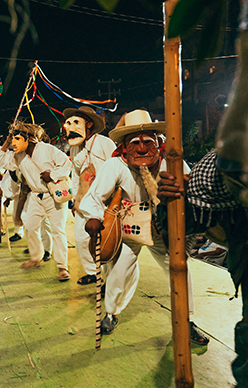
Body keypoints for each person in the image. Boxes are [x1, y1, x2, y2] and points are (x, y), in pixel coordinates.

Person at [80, 109, 208, 344]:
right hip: (129, 228)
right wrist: (94, 218)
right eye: (135, 143)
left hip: (164, 231)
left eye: (148, 142)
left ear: (158, 144)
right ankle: (111, 313)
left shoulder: (171, 163)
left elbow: (193, 190)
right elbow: (94, 197)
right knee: (119, 270)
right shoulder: (115, 165)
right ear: (125, 146)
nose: (141, 148)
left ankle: (186, 320)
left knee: (180, 269)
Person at [0, 122, 72, 282]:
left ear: (28, 138)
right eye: (12, 139)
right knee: (29, 226)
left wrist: (53, 175)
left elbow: (66, 164)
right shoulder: (18, 156)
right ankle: (36, 257)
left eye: (16, 138)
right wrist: (7, 142)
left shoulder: (47, 149)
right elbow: (0, 160)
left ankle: (62, 267)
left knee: (58, 231)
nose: (14, 143)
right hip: (36, 196)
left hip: (53, 196)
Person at [63, 106, 116, 285]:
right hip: (83, 204)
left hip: (104, 203)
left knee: (104, 243)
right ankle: (93, 273)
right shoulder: (74, 148)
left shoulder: (104, 143)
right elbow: (75, 175)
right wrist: (74, 201)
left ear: (89, 124)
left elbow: (117, 171)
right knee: (80, 240)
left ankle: (107, 280)